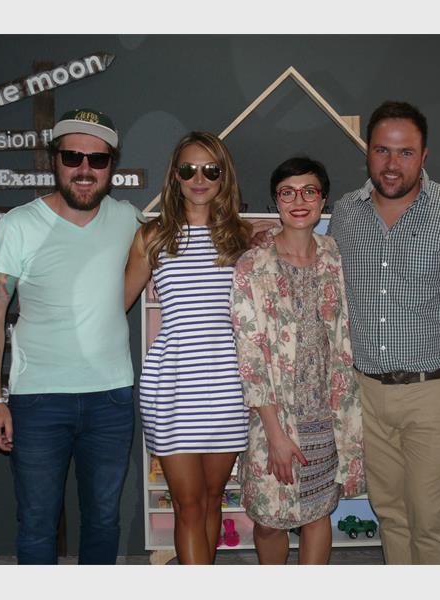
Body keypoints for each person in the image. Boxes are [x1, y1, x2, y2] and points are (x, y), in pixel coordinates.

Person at [0, 108, 143, 564]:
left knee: (104, 520)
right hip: (37, 401)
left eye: (97, 159)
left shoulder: (128, 219)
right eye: (73, 157)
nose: (85, 169)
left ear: (111, 165)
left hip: (110, 399)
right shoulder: (18, 225)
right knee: (36, 523)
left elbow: (182, 238)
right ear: (56, 160)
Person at [327, 100, 440, 564]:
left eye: (405, 152)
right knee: (390, 513)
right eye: (382, 151)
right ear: (368, 153)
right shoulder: (346, 213)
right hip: (367, 393)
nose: (392, 164)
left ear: (424, 155)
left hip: (431, 392)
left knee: (431, 518)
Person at [124, 131, 252, 564]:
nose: (199, 179)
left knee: (214, 499)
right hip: (172, 385)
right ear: (175, 176)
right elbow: (116, 304)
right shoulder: (153, 237)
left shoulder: (242, 238)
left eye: (210, 170)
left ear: (223, 176)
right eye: (189, 169)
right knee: (188, 504)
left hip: (228, 385)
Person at [232, 156, 365, 565]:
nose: (299, 201)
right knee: (269, 519)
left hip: (326, 414)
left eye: (309, 191)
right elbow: (250, 356)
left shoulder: (336, 256)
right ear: (276, 202)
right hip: (274, 417)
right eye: (287, 193)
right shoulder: (253, 265)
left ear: (323, 200)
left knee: (318, 512)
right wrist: (275, 434)